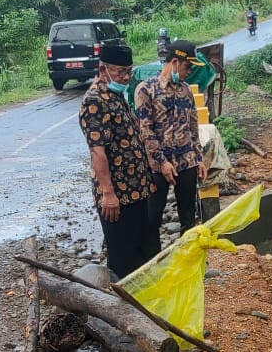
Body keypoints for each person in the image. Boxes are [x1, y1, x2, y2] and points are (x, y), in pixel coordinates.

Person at [78, 43, 158, 279]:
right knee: (123, 257)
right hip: (119, 196)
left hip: (137, 190)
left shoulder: (116, 95)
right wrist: (108, 193)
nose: (125, 77)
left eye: (129, 71)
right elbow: (97, 152)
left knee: (143, 251)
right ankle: (121, 310)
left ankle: (144, 304)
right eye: (120, 72)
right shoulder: (94, 101)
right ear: (103, 70)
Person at [135, 40, 205, 248]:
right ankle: (154, 264)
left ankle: (187, 260)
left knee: (188, 218)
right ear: (174, 62)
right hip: (158, 166)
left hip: (186, 162)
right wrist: (162, 162)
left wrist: (199, 158)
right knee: (152, 218)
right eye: (187, 67)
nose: (189, 72)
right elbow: (146, 131)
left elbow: (193, 127)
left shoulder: (186, 90)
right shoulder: (147, 90)